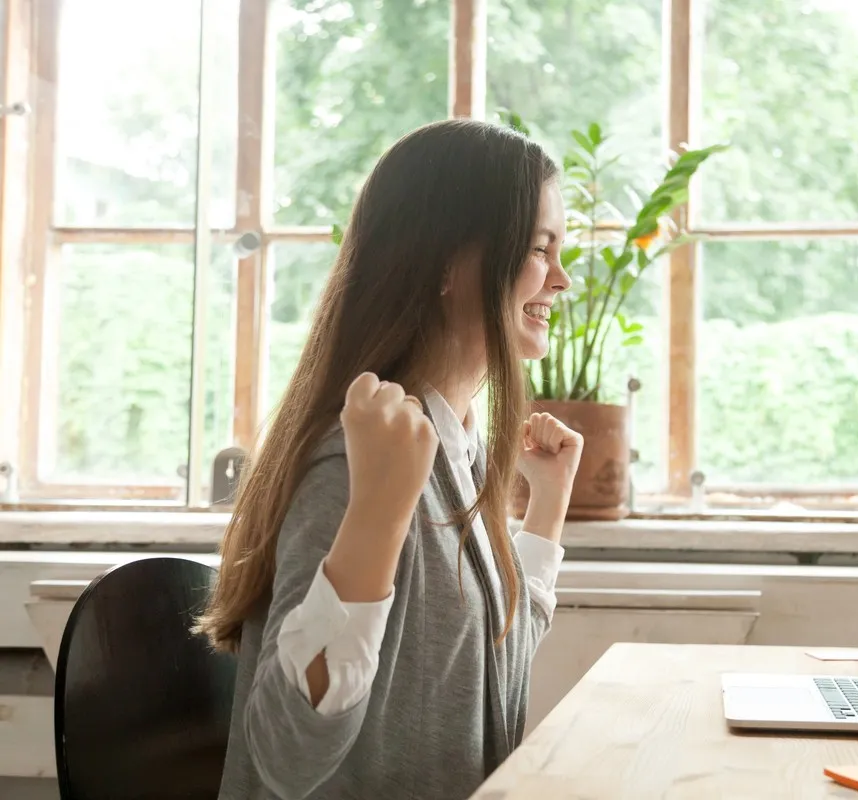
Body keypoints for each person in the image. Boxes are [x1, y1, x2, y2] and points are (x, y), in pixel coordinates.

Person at [196, 118, 581, 800]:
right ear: (447, 264)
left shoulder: (449, 446)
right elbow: (285, 756)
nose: (563, 280)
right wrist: (376, 508)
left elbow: (494, 677)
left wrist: (545, 507)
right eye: (540, 249)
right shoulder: (356, 465)